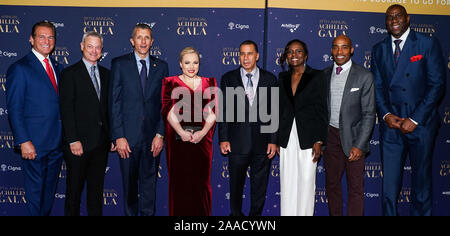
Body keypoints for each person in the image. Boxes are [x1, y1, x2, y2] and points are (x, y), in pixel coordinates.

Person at [371, 4, 446, 216]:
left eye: (398, 16)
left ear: (408, 18)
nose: (393, 20)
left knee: (421, 185)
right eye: (389, 17)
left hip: (420, 125)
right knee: (389, 187)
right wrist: (386, 115)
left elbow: (437, 85)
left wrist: (414, 119)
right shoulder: (379, 49)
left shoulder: (426, 43)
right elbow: (376, 87)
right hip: (392, 127)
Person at [109, 23, 168, 216]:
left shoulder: (162, 67)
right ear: (132, 41)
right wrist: (118, 136)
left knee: (149, 188)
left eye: (147, 37)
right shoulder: (119, 64)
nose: (143, 41)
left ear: (152, 42)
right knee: (130, 189)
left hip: (152, 139)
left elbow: (165, 105)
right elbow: (114, 102)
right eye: (139, 37)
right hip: (127, 139)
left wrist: (160, 134)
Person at [6, 21, 64, 216]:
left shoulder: (58, 67)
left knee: (47, 197)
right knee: (35, 197)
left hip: (56, 144)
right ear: (31, 39)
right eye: (41, 36)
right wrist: (24, 141)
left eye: (50, 37)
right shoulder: (20, 68)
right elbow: (14, 109)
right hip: (34, 145)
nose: (46, 41)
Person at [219, 40, 278, 216]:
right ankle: (236, 218)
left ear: (257, 56)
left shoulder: (270, 79)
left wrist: (273, 141)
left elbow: (274, 112)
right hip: (237, 143)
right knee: (235, 187)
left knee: (259, 188)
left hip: (262, 143)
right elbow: (223, 111)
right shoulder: (229, 78)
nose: (246, 58)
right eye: (242, 54)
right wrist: (223, 138)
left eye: (250, 53)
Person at [59, 31, 113, 216]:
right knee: (73, 193)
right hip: (77, 145)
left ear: (102, 49)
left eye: (97, 47)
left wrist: (112, 136)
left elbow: (109, 109)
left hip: (101, 144)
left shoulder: (107, 74)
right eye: (89, 46)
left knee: (96, 195)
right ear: (82, 46)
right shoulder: (69, 74)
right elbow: (66, 109)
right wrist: (73, 139)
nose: (94, 50)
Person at [322, 35, 376, 216]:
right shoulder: (324, 74)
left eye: (344, 47)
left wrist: (359, 144)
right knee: (332, 185)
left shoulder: (364, 76)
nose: (340, 52)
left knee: (355, 188)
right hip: (330, 138)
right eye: (336, 47)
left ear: (351, 50)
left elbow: (369, 114)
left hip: (354, 138)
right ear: (331, 50)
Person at [162, 47, 217, 216]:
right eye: (187, 62)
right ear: (180, 64)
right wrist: (182, 132)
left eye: (195, 62)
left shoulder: (210, 82)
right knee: (180, 184)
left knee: (201, 184)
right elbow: (168, 111)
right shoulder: (170, 82)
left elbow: (213, 113)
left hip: (203, 141)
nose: (191, 66)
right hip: (178, 141)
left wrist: (202, 133)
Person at [277, 39, 327, 216]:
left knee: (306, 181)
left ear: (305, 55)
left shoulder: (317, 76)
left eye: (298, 51)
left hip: (309, 137)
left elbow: (322, 109)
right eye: (290, 52)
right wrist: (276, 140)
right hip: (286, 137)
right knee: (288, 182)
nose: (294, 55)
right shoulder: (282, 78)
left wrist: (319, 140)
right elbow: (279, 109)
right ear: (286, 56)